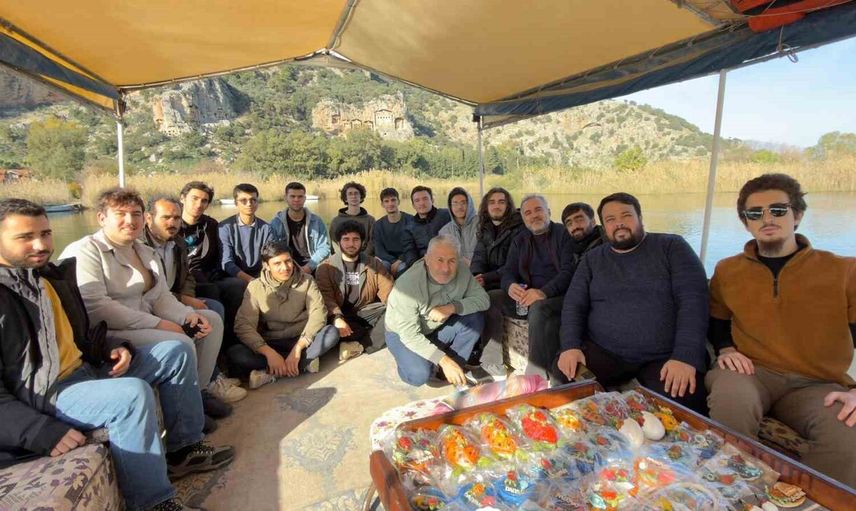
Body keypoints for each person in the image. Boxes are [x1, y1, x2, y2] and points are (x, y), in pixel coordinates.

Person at [0, 198, 234, 511]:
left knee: (175, 351)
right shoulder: (16, 289)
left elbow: (78, 335)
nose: (41, 244)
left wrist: (112, 347)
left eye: (45, 233)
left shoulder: (46, 278)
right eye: (25, 237)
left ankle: (183, 449)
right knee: (131, 395)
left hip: (85, 367)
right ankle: (152, 503)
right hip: (48, 392)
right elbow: (99, 309)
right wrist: (37, 430)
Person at [706, 173, 856, 487]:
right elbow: (717, 321)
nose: (767, 219)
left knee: (849, 431)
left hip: (817, 382)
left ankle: (809, 499)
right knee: (730, 399)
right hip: (752, 371)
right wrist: (726, 349)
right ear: (746, 223)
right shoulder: (727, 270)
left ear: (797, 215)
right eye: (755, 213)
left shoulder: (843, 270)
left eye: (777, 210)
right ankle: (736, 488)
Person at [59, 188, 231, 425]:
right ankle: (183, 426)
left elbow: (160, 297)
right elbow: (96, 308)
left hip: (145, 322)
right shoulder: (86, 251)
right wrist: (160, 324)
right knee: (179, 341)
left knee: (210, 320)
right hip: (111, 332)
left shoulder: (144, 252)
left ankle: (196, 395)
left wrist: (186, 315)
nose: (130, 220)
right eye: (121, 214)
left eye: (136, 214)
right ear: (102, 218)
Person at [557, 192, 709, 414]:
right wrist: (570, 346)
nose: (619, 223)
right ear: (604, 227)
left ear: (640, 218)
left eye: (626, 215)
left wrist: (685, 356)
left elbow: (694, 302)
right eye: (610, 219)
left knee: (682, 401)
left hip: (663, 357)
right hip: (605, 352)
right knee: (567, 374)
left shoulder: (672, 247)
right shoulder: (592, 259)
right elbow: (573, 304)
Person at [143, 196, 246, 404]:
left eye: (176, 218)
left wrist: (188, 297)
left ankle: (206, 382)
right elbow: (150, 293)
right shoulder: (140, 247)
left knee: (214, 308)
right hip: (150, 308)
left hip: (171, 300)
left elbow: (186, 276)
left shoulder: (177, 242)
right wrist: (184, 300)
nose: (172, 223)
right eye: (166, 217)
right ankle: (209, 383)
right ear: (148, 218)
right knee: (209, 311)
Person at [229, 240, 339, 389]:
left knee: (331, 333)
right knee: (236, 353)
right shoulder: (255, 287)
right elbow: (243, 325)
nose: (285, 268)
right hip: (271, 342)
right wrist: (269, 353)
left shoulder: (307, 281)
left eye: (288, 261)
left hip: (302, 339)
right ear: (266, 265)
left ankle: (272, 372)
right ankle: (301, 365)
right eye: (277, 263)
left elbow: (318, 313)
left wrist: (298, 348)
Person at [385, 235, 489, 387]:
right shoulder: (407, 286)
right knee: (419, 375)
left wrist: (452, 307)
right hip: (402, 334)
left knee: (475, 318)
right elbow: (409, 335)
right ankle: (409, 361)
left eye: (452, 261)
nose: (446, 268)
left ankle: (450, 367)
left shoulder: (462, 270)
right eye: (439, 260)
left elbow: (483, 299)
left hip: (436, 327)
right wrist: (443, 360)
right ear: (426, 259)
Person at [501, 194, 575, 378]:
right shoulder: (520, 239)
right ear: (523, 219)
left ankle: (536, 374)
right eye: (528, 213)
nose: (534, 215)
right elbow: (508, 271)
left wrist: (543, 292)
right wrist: (510, 286)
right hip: (527, 294)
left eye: (538, 210)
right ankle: (492, 363)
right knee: (491, 298)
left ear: (548, 212)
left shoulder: (563, 234)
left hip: (558, 296)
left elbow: (569, 272)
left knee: (538, 308)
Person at [178, 180, 246, 350]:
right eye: (194, 198)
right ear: (182, 198)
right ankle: (218, 347)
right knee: (212, 292)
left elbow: (219, 255)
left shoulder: (210, 225)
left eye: (204, 201)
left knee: (237, 286)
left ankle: (235, 340)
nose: (199, 204)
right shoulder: (172, 224)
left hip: (208, 275)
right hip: (182, 280)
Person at [316, 220, 393, 356]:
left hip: (366, 311)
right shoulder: (325, 267)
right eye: (346, 239)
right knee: (330, 330)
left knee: (395, 316)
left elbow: (388, 291)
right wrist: (336, 318)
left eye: (356, 239)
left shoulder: (373, 263)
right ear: (338, 242)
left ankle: (360, 345)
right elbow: (326, 297)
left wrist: (396, 308)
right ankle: (369, 336)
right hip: (341, 314)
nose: (351, 244)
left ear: (362, 242)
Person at [470, 187, 524, 362]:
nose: (496, 206)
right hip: (489, 279)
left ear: (508, 205)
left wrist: (485, 278)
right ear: (486, 206)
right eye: (492, 202)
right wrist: (476, 275)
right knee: (464, 292)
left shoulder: (519, 229)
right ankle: (471, 347)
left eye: (501, 202)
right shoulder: (485, 227)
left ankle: (491, 361)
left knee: (488, 299)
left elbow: (513, 266)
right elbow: (478, 257)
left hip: (511, 282)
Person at [269, 181, 330, 274]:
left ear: (305, 198)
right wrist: (289, 267)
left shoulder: (317, 221)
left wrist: (309, 267)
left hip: (313, 264)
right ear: (286, 198)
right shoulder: (276, 223)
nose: (296, 200)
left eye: (300, 196)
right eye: (292, 196)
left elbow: (324, 248)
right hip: (287, 265)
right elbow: (273, 250)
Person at [219, 183, 273, 283]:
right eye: (243, 200)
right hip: (233, 276)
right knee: (237, 285)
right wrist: (251, 280)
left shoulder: (267, 228)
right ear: (236, 203)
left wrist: (264, 279)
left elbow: (270, 258)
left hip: (260, 275)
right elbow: (227, 262)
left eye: (253, 200)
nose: (249, 204)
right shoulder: (224, 228)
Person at [400, 186, 451, 267]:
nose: (421, 203)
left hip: (447, 259)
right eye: (417, 200)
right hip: (423, 264)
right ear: (413, 205)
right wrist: (417, 265)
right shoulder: (410, 227)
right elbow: (410, 251)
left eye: (425, 199)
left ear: (432, 200)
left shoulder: (446, 215)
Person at [373, 187, 413, 277]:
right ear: (382, 204)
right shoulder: (378, 225)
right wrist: (394, 262)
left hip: (405, 258)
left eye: (393, 200)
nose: (390, 204)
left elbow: (413, 245)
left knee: (403, 268)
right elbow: (379, 250)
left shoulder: (411, 220)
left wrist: (399, 261)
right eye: (386, 201)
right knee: (381, 267)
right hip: (386, 260)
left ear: (398, 202)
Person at [328, 181, 375, 256]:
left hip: (365, 258)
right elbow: (334, 244)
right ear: (345, 199)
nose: (353, 196)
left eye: (356, 193)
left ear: (361, 197)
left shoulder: (370, 220)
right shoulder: (336, 221)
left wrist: (362, 258)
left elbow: (372, 243)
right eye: (350, 194)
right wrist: (345, 258)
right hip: (342, 258)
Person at [439, 187, 478, 265]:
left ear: (470, 204)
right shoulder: (444, 232)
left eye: (463, 203)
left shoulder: (481, 224)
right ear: (450, 206)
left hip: (479, 270)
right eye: (455, 203)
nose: (459, 207)